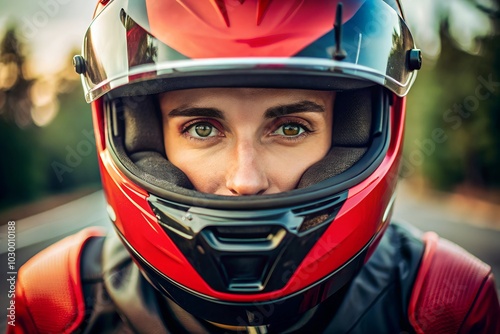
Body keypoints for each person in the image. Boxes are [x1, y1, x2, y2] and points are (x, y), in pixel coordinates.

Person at [8, 0, 500, 333]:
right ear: (143, 138)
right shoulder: (58, 302)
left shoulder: (445, 303)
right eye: (202, 129)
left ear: (355, 130)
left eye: (290, 128)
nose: (245, 180)